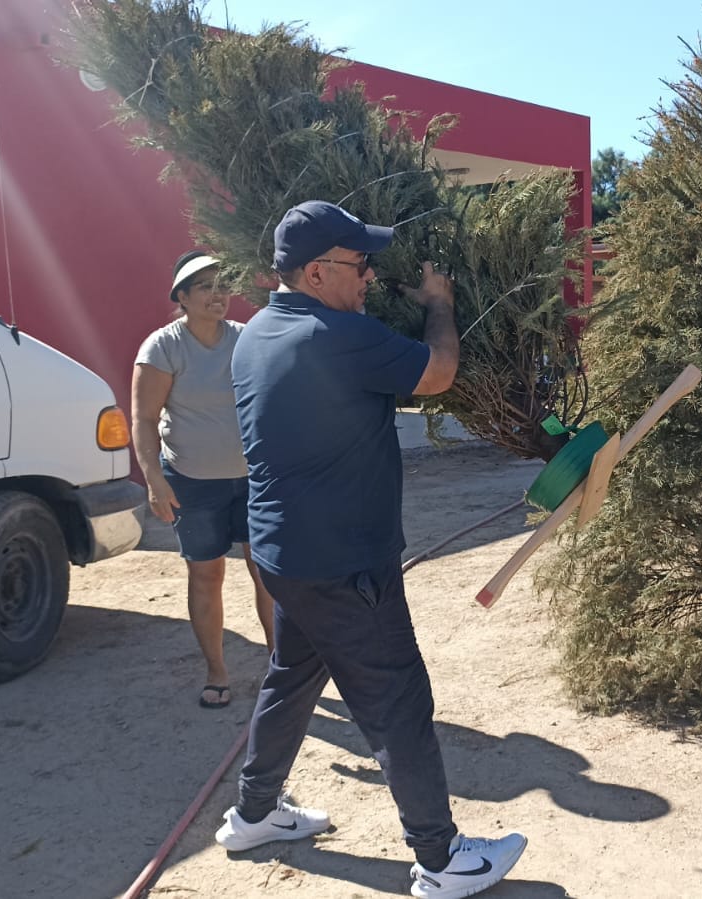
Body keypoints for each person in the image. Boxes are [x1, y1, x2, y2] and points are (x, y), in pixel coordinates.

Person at [217, 201, 527, 899]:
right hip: (344, 563)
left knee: (291, 677)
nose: (369, 277)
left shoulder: (256, 333)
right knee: (397, 699)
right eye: (360, 265)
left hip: (283, 555)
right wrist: (439, 303)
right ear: (319, 271)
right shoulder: (339, 334)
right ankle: (442, 858)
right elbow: (440, 370)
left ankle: (253, 813)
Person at [131, 251, 277, 710]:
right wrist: (154, 479)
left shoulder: (246, 338)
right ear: (182, 298)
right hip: (194, 482)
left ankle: (281, 664)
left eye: (223, 284)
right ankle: (217, 670)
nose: (219, 294)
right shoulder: (163, 347)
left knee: (268, 573)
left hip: (254, 479)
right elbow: (144, 418)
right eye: (206, 287)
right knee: (206, 573)